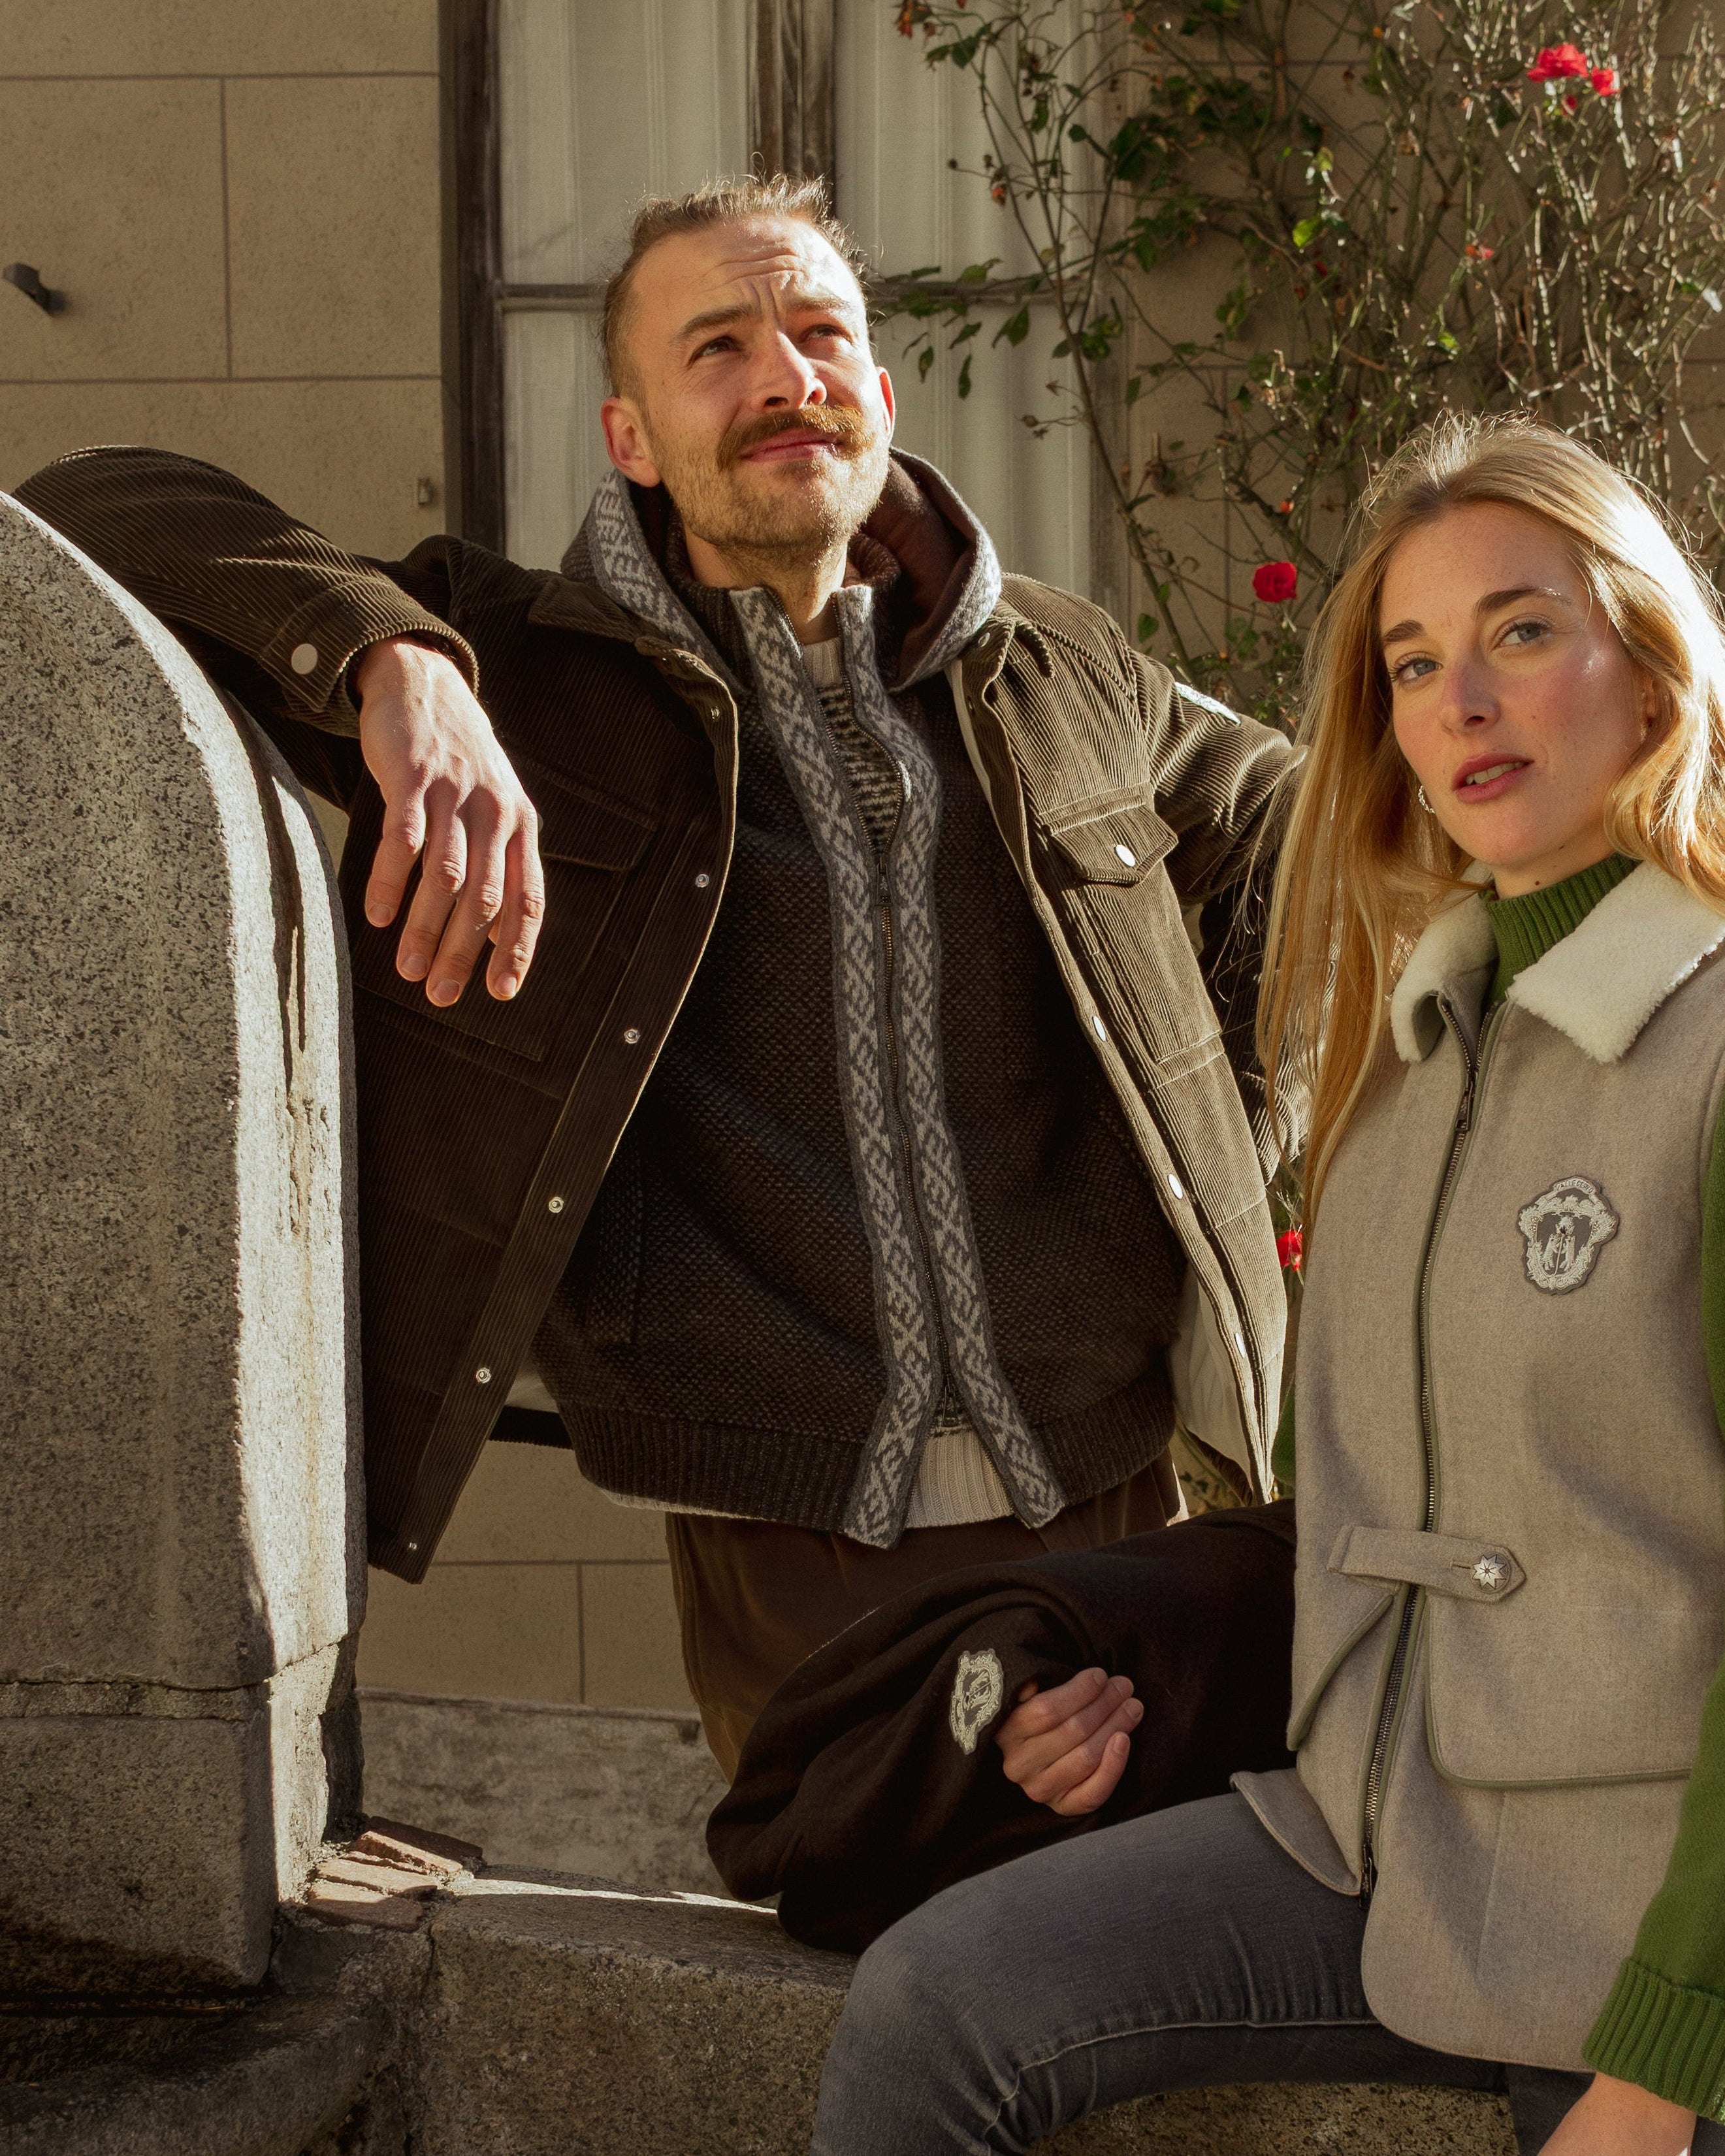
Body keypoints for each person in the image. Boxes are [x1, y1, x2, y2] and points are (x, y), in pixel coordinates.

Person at [18, 174, 1293, 1777]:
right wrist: (391, 660)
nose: (783, 375)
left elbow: (1302, 831)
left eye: (819, 333)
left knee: (1125, 1918)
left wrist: (1238, 1120)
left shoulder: (1058, 665)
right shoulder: (520, 665)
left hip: (1119, 1480)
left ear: (880, 401)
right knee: (888, 1909)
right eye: (717, 347)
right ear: (631, 436)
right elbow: (88, 500)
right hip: (786, 1523)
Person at [811, 415, 1725, 2155]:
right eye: (1412, 661)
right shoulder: (1414, 1065)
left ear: (1652, 666)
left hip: (1657, 1921)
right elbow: (1402, 1500)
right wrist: (1140, 1663)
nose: (1462, 699)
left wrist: (1661, 2063)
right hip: (1377, 1836)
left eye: (1522, 632)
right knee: (936, 2001)